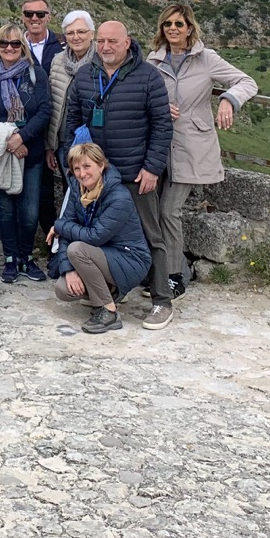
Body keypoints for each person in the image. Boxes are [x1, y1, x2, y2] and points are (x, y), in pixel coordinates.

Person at [61, 20, 176, 330]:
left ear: (128, 43)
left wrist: (152, 167)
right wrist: (71, 168)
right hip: (93, 176)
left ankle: (162, 300)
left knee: (151, 236)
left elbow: (162, 125)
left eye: (113, 41)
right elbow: (69, 123)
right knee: (100, 233)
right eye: (101, 41)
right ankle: (113, 290)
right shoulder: (86, 76)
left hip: (134, 173)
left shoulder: (148, 77)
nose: (106, 47)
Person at [148, 3, 257, 298]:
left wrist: (227, 100)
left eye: (178, 24)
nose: (172, 29)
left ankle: (174, 276)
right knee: (152, 210)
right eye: (167, 24)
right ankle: (159, 271)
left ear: (189, 28)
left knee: (169, 211)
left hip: (190, 147)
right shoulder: (153, 61)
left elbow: (247, 81)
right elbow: (145, 96)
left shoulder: (206, 59)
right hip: (159, 146)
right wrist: (156, 107)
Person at [0, 23, 53, 283]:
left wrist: (22, 136)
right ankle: (9, 258)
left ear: (23, 47)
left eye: (15, 43)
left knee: (30, 211)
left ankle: (25, 257)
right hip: (2, 154)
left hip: (29, 154)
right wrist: (11, 138)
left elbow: (44, 111)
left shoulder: (35, 75)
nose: (9, 48)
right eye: (4, 44)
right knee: (5, 210)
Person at [49, 141, 151, 333]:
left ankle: (108, 311)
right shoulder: (78, 190)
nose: (82, 173)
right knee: (63, 289)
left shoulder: (118, 196)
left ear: (101, 165)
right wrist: (69, 270)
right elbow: (67, 232)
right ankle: (110, 291)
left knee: (77, 249)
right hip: (100, 255)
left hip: (130, 259)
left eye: (87, 166)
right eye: (77, 168)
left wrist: (59, 225)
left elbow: (94, 236)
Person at [43, 10, 97, 237]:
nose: (76, 37)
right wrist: (50, 145)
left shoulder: (101, 62)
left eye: (81, 32)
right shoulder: (57, 61)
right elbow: (52, 103)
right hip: (65, 141)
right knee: (71, 194)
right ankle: (70, 245)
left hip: (94, 143)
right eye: (70, 33)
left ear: (92, 34)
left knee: (93, 194)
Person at [20, 0, 64, 70]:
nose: (34, 18)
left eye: (40, 14)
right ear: (23, 18)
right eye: (28, 14)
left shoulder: (64, 43)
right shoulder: (14, 47)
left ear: (49, 17)